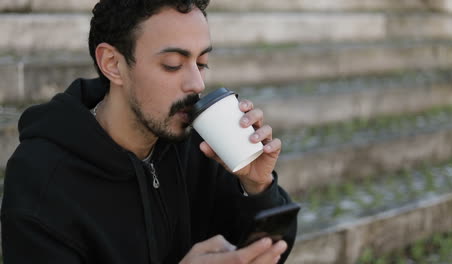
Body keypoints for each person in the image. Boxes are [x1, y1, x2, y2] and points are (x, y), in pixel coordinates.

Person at [1, 0, 297, 263]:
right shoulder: (41, 180)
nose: (196, 84)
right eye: (172, 65)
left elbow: (272, 252)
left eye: (202, 62)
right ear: (112, 64)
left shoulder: (200, 145)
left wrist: (258, 187)